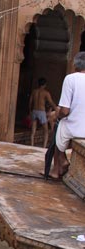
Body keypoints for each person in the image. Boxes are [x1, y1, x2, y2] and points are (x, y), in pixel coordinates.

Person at [51, 52, 85, 180]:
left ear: (75, 65)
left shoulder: (71, 79)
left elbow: (65, 111)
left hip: (74, 128)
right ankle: (58, 165)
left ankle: (59, 163)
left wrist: (56, 114)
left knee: (57, 126)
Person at [29, 77, 57, 147]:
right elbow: (50, 102)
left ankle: (31, 145)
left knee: (33, 130)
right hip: (41, 111)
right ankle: (44, 147)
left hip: (34, 111)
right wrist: (56, 108)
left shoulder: (34, 91)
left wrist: (30, 111)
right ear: (44, 84)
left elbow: (30, 102)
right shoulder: (45, 93)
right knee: (46, 130)